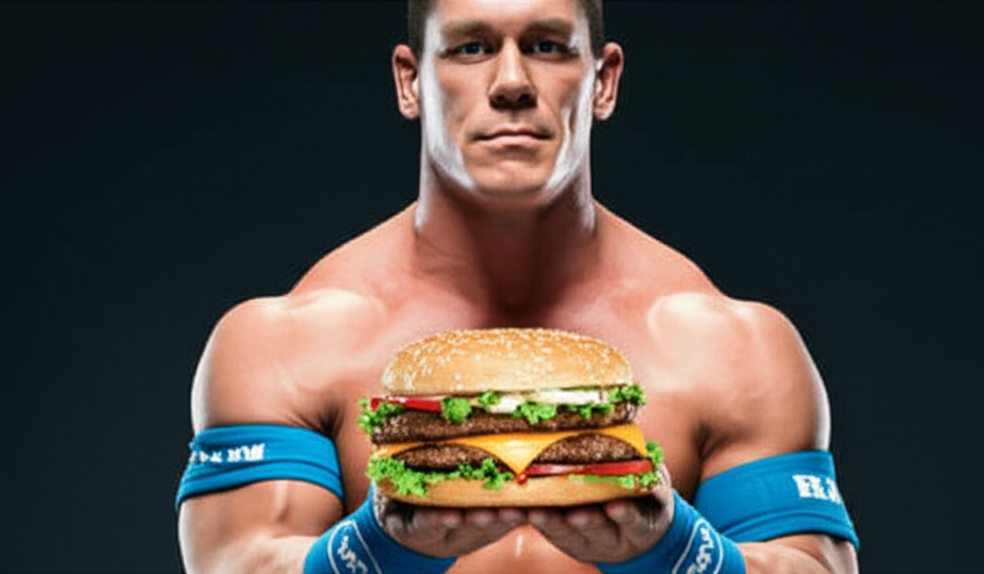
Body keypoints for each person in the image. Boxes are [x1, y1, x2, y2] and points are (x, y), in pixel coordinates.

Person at [176, 0, 860, 572]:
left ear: (604, 80)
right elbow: (238, 561)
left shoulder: (731, 347)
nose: (510, 81)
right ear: (410, 82)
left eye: (547, 46)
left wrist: (678, 545)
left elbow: (814, 566)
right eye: (471, 48)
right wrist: (379, 545)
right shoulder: (287, 342)